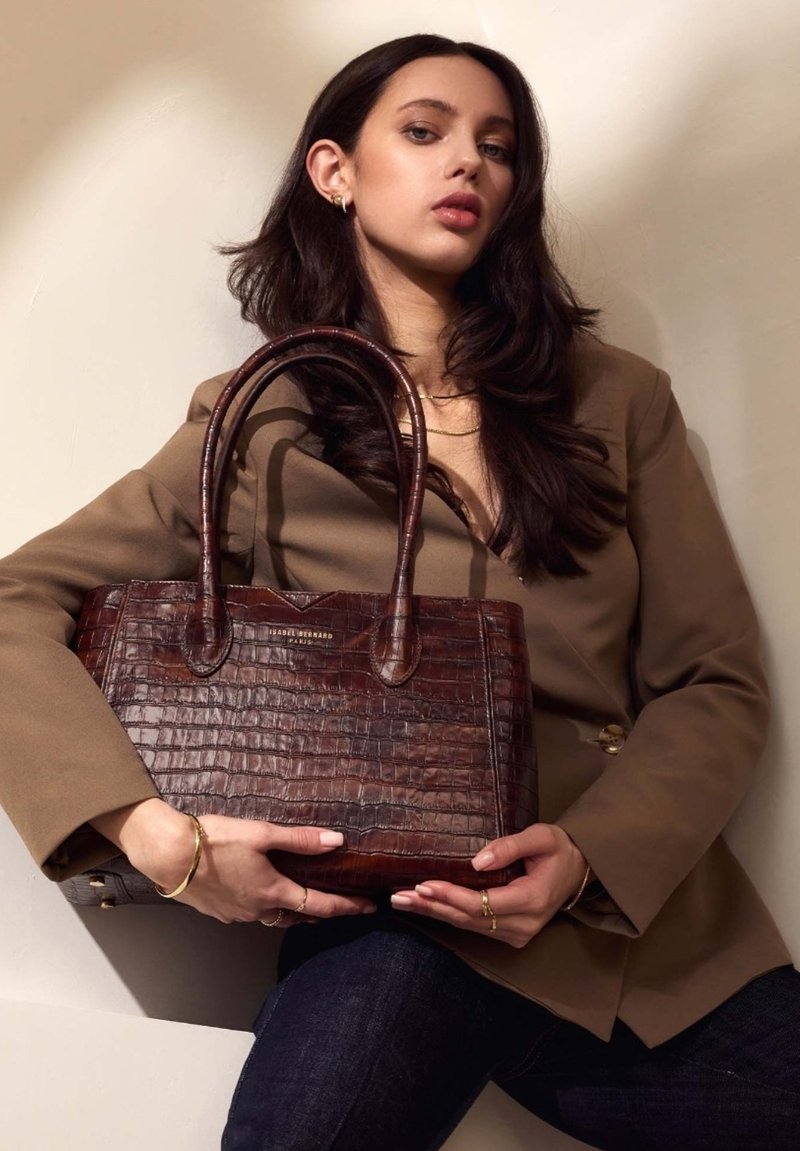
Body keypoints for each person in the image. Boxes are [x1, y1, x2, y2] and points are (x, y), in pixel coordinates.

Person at [0, 31, 797, 1151]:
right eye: (422, 132)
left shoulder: (616, 401)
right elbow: (13, 604)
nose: (465, 164)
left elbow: (712, 682)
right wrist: (160, 842)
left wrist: (587, 858)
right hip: (389, 925)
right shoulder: (258, 423)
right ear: (335, 171)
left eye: (496, 146)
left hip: (646, 941)